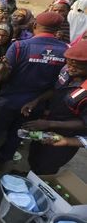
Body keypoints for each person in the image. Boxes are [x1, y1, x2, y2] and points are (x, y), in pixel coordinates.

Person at [0, 12, 69, 172]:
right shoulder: (65, 52)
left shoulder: (19, 46)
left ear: (34, 26)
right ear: (58, 30)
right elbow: (59, 86)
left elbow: (4, 76)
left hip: (8, 100)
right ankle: (1, 162)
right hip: (35, 105)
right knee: (18, 134)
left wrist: (0, 74)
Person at [21, 40, 87, 174]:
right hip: (46, 123)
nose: (71, 68)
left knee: (46, 166)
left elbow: (84, 124)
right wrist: (36, 101)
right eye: (69, 63)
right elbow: (55, 89)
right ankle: (28, 176)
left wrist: (50, 123)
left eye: (78, 67)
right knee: (35, 154)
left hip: (64, 136)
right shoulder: (66, 70)